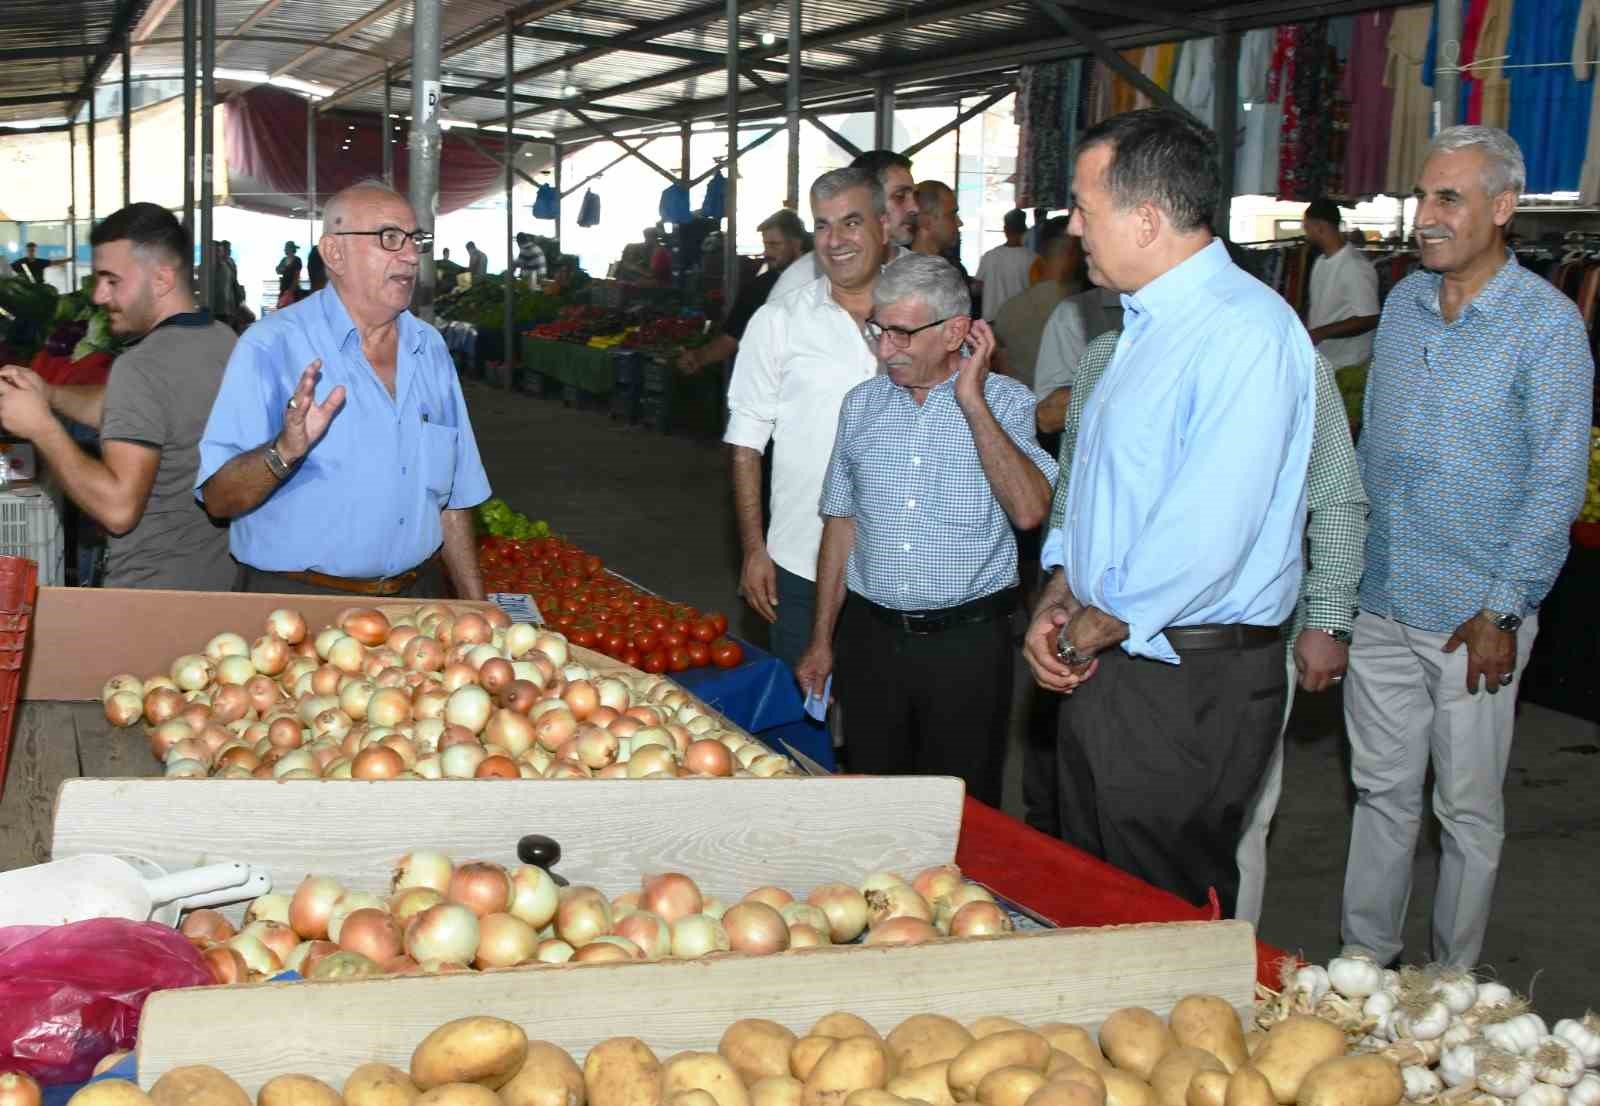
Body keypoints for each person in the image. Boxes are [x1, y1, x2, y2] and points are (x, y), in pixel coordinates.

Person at [1020, 109, 1317, 917]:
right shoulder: (1137, 328)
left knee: (1159, 913)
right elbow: (1092, 483)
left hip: (1188, 681)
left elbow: (1205, 535)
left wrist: (1087, 626)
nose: (1072, 226)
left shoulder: (1243, 332)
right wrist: (1057, 589)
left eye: (1085, 206)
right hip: (1115, 657)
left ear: (1146, 219)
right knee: (1092, 893)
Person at [1340, 126, 1593, 970]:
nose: (1425, 216)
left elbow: (1557, 478)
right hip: (1381, 599)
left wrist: (1503, 607)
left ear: (1504, 208)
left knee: (1467, 810)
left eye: (1447, 198)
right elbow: (1375, 444)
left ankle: (1447, 984)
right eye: (1421, 196)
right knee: (1380, 794)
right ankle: (1363, 966)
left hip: (1471, 618)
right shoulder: (1406, 302)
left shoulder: (1547, 325)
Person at [1044, 326, 1368, 921]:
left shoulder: (1277, 354)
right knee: (1103, 853)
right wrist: (1058, 590)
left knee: (1233, 836)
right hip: (1103, 653)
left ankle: (1227, 984)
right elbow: (1072, 494)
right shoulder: (1105, 356)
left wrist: (1328, 615)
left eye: (1095, 223)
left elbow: (1336, 496)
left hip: (1225, 648)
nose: (1084, 231)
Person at [794, 255, 1055, 804]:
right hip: (871, 641)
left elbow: (1031, 511)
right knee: (872, 795)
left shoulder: (1008, 404)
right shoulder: (861, 406)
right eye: (878, 331)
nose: (885, 349)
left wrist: (972, 402)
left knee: (960, 805)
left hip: (966, 647)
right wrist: (822, 640)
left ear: (956, 331)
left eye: (901, 334)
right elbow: (841, 525)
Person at [197, 181, 492, 599]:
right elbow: (218, 499)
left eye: (416, 240)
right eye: (390, 238)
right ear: (335, 253)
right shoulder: (270, 346)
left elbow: (455, 497)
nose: (410, 256)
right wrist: (283, 452)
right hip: (299, 605)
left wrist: (476, 607)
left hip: (419, 602)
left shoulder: (430, 349)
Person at [0, 203, 234, 590]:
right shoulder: (220, 339)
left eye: (111, 280)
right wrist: (50, 394)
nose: (98, 296)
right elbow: (133, 412)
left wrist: (41, 429)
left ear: (161, 279)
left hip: (149, 593)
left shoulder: (142, 366)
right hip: (216, 582)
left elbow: (118, 509)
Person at [723, 167, 889, 667]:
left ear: (884, 225)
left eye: (851, 223)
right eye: (822, 225)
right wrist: (754, 549)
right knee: (803, 725)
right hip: (801, 561)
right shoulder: (780, 322)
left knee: (880, 726)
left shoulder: (923, 317)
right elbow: (746, 441)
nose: (835, 240)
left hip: (900, 570)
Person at [768, 149, 920, 300]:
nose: (915, 207)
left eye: (915, 196)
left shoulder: (922, 274)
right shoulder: (798, 283)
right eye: (899, 196)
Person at [681, 210, 808, 373]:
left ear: (796, 243)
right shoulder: (758, 288)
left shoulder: (827, 279)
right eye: (765, 245)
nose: (766, 253)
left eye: (774, 245)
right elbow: (731, 338)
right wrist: (699, 357)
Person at [992, 217, 1079, 394]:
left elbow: (1005, 376)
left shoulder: (1009, 310)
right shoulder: (1085, 308)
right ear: (1075, 253)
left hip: (1023, 413)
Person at [1302, 197, 1379, 372]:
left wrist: (1321, 333)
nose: (1306, 234)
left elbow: (1369, 318)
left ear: (1319, 227)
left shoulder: (1355, 266)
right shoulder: (1320, 262)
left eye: (1307, 228)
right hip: (1326, 361)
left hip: (1349, 365)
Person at [976, 209, 1036, 321]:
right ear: (1025, 231)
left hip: (991, 322)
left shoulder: (989, 256)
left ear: (1005, 229)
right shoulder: (1033, 259)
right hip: (1019, 322)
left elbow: (978, 288)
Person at [910, 181, 962, 259]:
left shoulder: (952, 266)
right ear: (925, 221)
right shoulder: (905, 269)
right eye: (952, 215)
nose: (960, 223)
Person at [211, 240, 239, 327]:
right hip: (213, 307)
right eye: (217, 251)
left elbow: (233, 284)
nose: (219, 254)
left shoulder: (228, 264)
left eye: (220, 251)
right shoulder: (207, 267)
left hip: (226, 307)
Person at [275, 242, 303, 308]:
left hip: (293, 289)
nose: (286, 250)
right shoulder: (284, 260)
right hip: (284, 288)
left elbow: (297, 276)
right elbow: (278, 271)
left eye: (287, 249)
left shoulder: (297, 260)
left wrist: (290, 290)